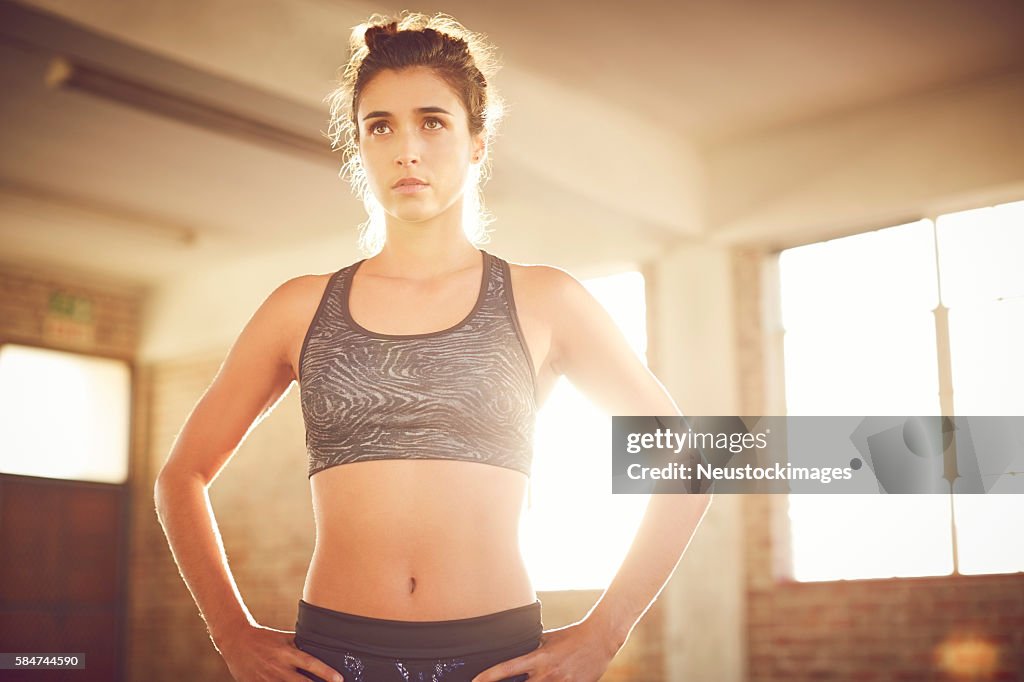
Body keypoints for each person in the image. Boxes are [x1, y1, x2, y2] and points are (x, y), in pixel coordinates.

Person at [153, 10, 712, 682]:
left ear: (478, 141)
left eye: (433, 121)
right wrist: (231, 636)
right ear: (358, 144)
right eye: (379, 126)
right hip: (333, 658)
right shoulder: (297, 309)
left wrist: (604, 632)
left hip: (499, 660)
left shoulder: (546, 301)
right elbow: (179, 476)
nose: (406, 150)